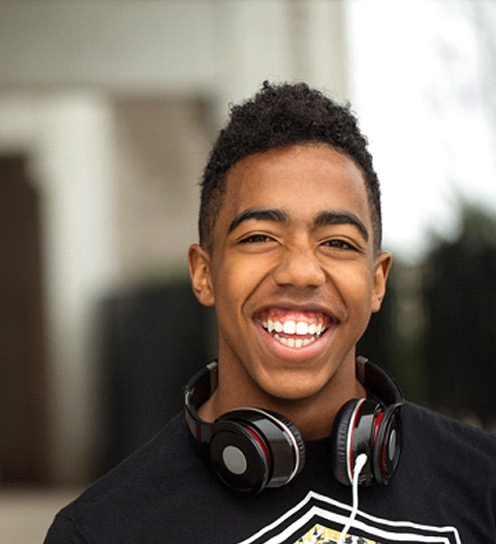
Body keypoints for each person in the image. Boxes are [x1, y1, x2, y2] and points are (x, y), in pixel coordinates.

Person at [44, 82, 496, 543]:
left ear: (377, 281)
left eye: (337, 242)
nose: (301, 272)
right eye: (259, 237)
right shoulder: (102, 531)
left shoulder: (483, 484)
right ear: (204, 273)